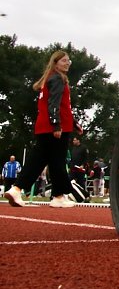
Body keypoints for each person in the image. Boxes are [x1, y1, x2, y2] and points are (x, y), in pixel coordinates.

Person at [4, 50, 79, 208]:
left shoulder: (50, 79)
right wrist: (56, 124)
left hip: (45, 126)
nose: (68, 63)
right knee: (56, 161)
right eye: (64, 60)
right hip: (55, 127)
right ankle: (57, 195)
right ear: (56, 63)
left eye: (69, 61)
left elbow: (62, 105)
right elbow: (54, 104)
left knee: (42, 160)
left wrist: (74, 122)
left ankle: (21, 190)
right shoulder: (58, 79)